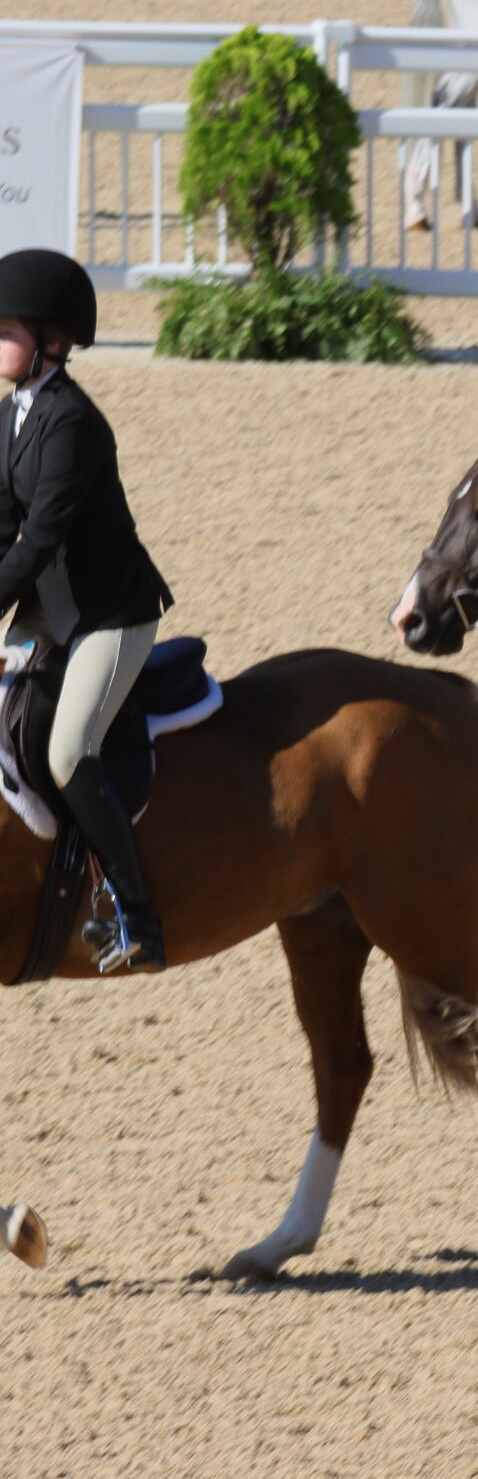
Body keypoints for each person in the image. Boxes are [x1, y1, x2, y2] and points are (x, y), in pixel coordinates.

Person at [0, 249, 173, 972]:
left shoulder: (72, 423)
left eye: (6, 327)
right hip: (48, 611)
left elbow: (39, 539)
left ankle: (137, 917)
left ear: (51, 339)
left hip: (109, 614)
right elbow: (2, 525)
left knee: (69, 750)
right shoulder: (13, 414)